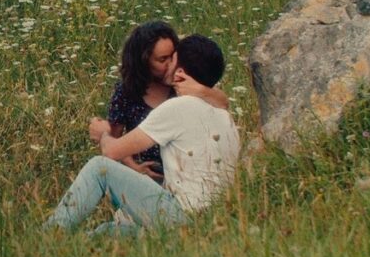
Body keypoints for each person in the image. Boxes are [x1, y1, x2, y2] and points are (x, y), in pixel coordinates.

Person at [45, 35, 241, 235]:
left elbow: (111, 152)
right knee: (107, 232)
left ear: (180, 73)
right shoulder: (226, 117)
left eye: (171, 59)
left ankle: (52, 234)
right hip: (208, 223)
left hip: (181, 216)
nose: (166, 66)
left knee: (99, 167)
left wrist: (104, 133)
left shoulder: (177, 107)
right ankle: (68, 248)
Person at [107, 21, 228, 183]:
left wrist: (200, 90)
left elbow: (223, 102)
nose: (170, 64)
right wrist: (133, 167)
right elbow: (114, 139)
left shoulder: (183, 86)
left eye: (173, 56)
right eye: (162, 59)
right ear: (144, 62)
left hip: (185, 175)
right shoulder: (127, 92)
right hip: (145, 174)